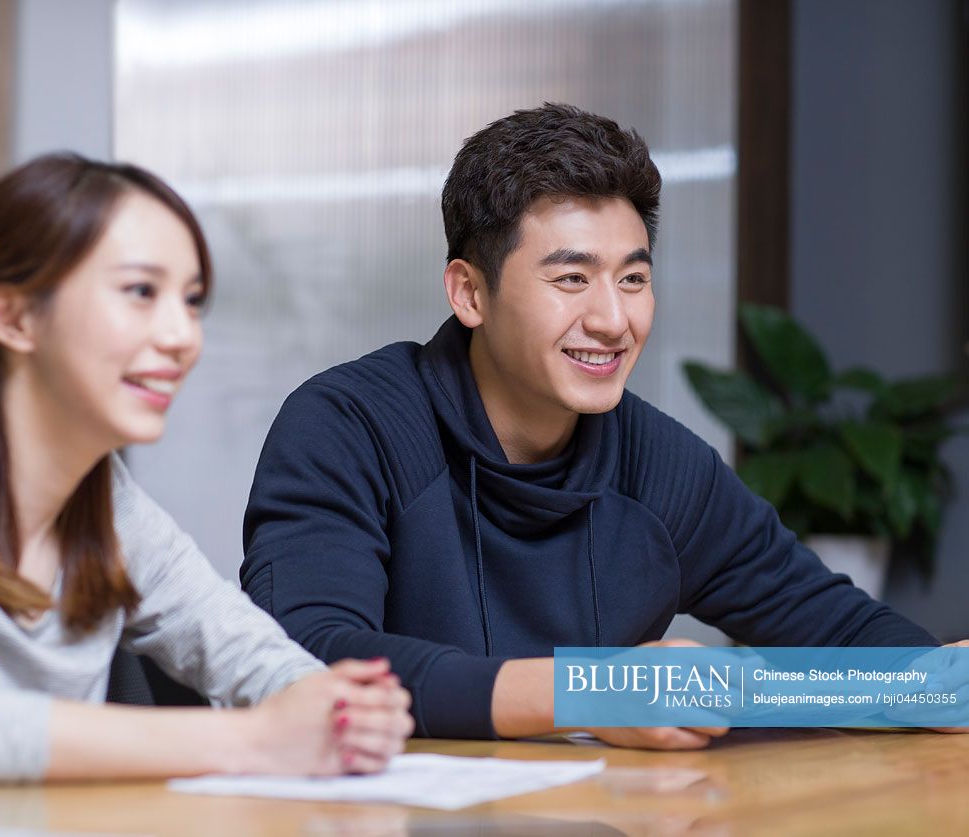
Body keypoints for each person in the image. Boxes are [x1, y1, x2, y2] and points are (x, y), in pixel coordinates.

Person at [240, 102, 940, 750]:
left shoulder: (657, 464)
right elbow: (305, 655)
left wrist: (935, 680)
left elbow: (842, 633)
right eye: (571, 279)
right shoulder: (350, 425)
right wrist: (594, 690)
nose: (613, 319)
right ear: (469, 292)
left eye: (632, 279)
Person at [0, 153, 412, 792]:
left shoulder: (108, 502)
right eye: (140, 292)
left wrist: (339, 710)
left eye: (192, 299)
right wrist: (255, 739)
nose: (182, 335)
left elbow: (251, 655)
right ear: (12, 314)